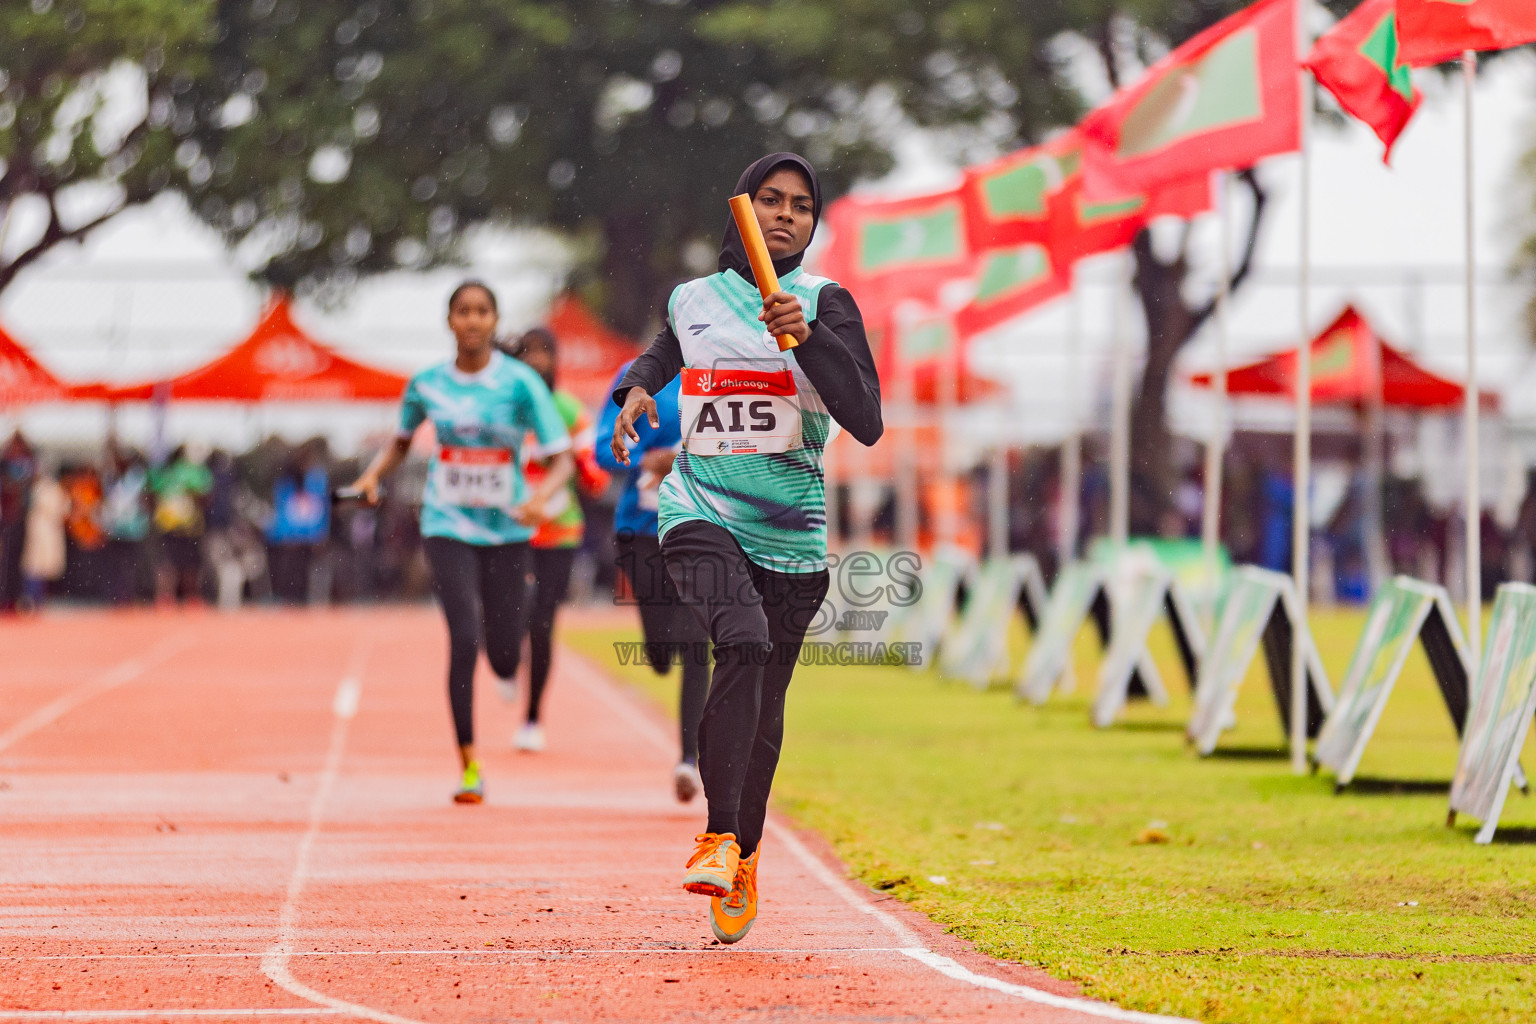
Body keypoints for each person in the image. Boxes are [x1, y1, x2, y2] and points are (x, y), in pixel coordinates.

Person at [610, 153, 882, 943]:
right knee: (741, 637)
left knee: (765, 710)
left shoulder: (825, 302)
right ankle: (717, 835)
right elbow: (666, 349)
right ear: (743, 208)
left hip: (792, 537)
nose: (785, 214)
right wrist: (636, 387)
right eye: (770, 199)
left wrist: (808, 339)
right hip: (698, 509)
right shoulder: (693, 297)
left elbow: (867, 420)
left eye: (801, 204)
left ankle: (745, 853)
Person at [349, 281, 574, 804]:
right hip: (447, 523)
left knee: (504, 655)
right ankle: (470, 765)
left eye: (482, 311)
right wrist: (371, 477)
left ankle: (507, 646)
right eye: (463, 311)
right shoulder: (427, 383)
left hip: (508, 528)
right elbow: (401, 442)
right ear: (449, 321)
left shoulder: (519, 383)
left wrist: (543, 498)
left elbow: (561, 458)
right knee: (463, 636)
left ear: (494, 321)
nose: (472, 320)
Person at [596, 360, 710, 803]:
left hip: (703, 528)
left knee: (697, 642)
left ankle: (688, 761)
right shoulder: (635, 377)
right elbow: (601, 452)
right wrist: (646, 457)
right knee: (663, 651)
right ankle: (660, 649)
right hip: (641, 533)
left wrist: (684, 460)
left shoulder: (725, 367)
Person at [501, 327, 610, 752]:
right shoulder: (506, 409)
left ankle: (532, 718)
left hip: (559, 530)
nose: (537, 360)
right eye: (529, 352)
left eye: (545, 351)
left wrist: (580, 466)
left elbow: (596, 479)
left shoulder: (568, 410)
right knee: (508, 613)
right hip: (511, 529)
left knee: (542, 622)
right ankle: (506, 660)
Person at [150, 444, 213, 604]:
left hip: (171, 525)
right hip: (186, 526)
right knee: (188, 564)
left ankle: (166, 597)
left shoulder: (164, 473)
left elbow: (152, 494)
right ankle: (189, 597)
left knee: (170, 564)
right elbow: (206, 496)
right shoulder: (193, 472)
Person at [267, 447, 331, 604]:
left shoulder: (316, 480)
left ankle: (303, 600)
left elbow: (320, 509)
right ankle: (289, 599)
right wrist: (286, 533)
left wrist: (319, 534)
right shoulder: (288, 482)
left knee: (306, 570)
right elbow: (284, 509)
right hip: (293, 536)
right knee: (291, 571)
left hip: (308, 536)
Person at [101, 447, 151, 605]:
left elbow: (144, 500)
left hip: (133, 530)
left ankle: (129, 594)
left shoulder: (136, 478)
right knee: (116, 565)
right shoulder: (112, 479)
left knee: (131, 565)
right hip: (116, 530)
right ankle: (118, 594)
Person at [20, 459, 68, 610]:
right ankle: (32, 600)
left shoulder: (49, 488)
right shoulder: (37, 487)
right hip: (38, 532)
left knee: (40, 568)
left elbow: (62, 509)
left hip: (46, 533)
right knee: (33, 568)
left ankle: (36, 600)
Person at [0, 431, 37, 613]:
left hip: (17, 519)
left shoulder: (26, 465)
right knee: (7, 561)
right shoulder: (7, 466)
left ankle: (12, 598)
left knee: (15, 562)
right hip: (8, 519)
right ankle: (6, 598)